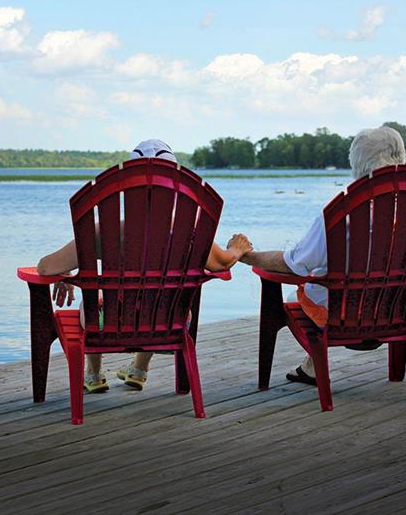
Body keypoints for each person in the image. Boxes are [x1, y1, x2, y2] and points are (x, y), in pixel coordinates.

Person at [240, 126, 406, 385]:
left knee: (292, 293)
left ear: (356, 163)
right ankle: (312, 367)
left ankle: (312, 366)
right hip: (398, 311)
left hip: (341, 316)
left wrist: (247, 256)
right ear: (402, 156)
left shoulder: (343, 212)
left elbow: (295, 264)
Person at [37, 139, 253, 393]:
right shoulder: (188, 233)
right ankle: (139, 370)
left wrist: (66, 273)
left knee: (93, 298)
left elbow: (45, 267)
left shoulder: (103, 232)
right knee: (160, 298)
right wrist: (237, 248)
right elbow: (222, 264)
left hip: (107, 325)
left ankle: (94, 374)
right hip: (170, 322)